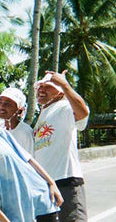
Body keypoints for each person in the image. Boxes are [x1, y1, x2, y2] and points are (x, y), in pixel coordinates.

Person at [33, 71, 90, 221]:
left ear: (59, 93)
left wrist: (65, 85)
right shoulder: (43, 114)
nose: (41, 90)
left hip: (66, 181)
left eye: (48, 87)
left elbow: (83, 113)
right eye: (40, 86)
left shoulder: (64, 106)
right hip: (47, 185)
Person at [0, 88, 34, 154]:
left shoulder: (25, 133)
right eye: (0, 102)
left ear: (19, 110)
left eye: (7, 104)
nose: (2, 106)